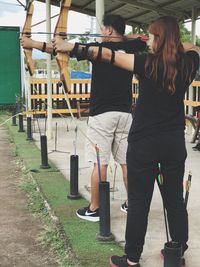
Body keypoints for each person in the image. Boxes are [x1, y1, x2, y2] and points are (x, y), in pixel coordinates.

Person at [53, 16, 200, 266]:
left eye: (152, 37)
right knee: (174, 200)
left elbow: (107, 55)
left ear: (159, 39)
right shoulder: (187, 64)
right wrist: (171, 43)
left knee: (139, 201)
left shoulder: (145, 62)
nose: (148, 41)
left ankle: (132, 259)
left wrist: (73, 48)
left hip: (144, 145)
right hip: (173, 144)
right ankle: (176, 252)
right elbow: (194, 48)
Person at [21, 14, 147, 222]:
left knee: (100, 163)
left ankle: (95, 208)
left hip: (102, 116)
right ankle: (132, 204)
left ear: (107, 31)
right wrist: (128, 37)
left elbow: (60, 48)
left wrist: (31, 43)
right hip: (125, 114)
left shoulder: (97, 51)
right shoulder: (132, 48)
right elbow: (138, 39)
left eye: (103, 29)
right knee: (127, 163)